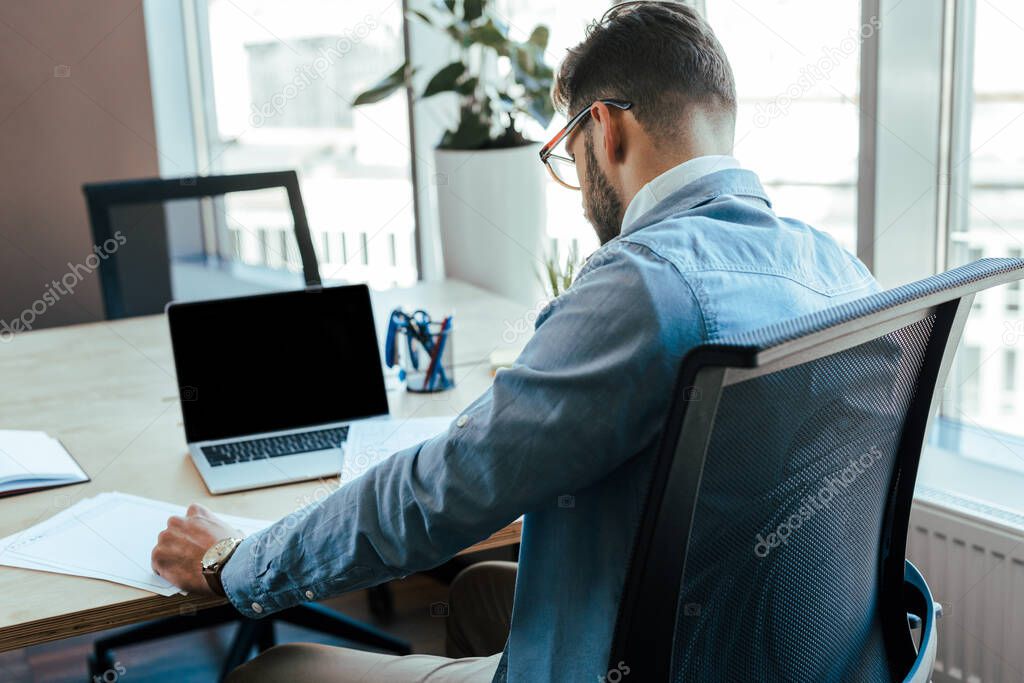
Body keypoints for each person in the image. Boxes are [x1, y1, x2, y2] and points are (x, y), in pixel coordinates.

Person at [151, 2, 879, 681]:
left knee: (273, 671)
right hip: (777, 649)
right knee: (476, 594)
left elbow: (438, 494)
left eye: (568, 151)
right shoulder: (842, 272)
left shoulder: (648, 283)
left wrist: (235, 559)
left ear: (605, 128)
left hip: (651, 661)